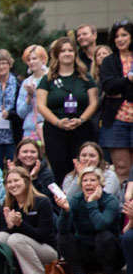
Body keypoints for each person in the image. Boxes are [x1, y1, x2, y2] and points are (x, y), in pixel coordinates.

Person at [36, 37, 98, 184]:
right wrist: (58, 122)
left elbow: (94, 102)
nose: (67, 53)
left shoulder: (85, 77)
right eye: (63, 50)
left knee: (83, 170)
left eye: (70, 50)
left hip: (82, 129)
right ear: (56, 54)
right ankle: (61, 204)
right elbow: (41, 105)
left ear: (75, 53)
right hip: (55, 130)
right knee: (59, 172)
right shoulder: (47, 79)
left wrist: (81, 119)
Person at [56, 166, 122, 274]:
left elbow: (100, 225)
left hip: (112, 254)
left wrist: (92, 203)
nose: (88, 183)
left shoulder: (110, 200)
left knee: (104, 235)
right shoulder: (75, 200)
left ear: (101, 184)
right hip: (85, 251)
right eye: (85, 181)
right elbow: (62, 229)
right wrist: (65, 211)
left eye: (93, 180)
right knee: (62, 237)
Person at [0, 167, 57, 274]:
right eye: (9, 182)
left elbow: (43, 236)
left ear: (26, 181)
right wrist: (10, 227)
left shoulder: (42, 202)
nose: (13, 185)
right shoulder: (7, 204)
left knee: (15, 238)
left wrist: (20, 224)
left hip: (48, 250)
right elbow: (5, 233)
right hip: (24, 247)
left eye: (16, 180)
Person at [98, 20, 133, 183]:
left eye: (124, 35)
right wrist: (128, 80)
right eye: (117, 36)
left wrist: (122, 90)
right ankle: (124, 206)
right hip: (116, 120)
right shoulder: (109, 61)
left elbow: (117, 88)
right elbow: (109, 87)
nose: (120, 39)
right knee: (122, 167)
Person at [8, 138, 59, 214]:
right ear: (18, 155)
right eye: (25, 152)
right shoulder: (13, 171)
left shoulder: (46, 173)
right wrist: (14, 176)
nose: (29, 155)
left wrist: (33, 178)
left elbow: (45, 199)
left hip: (42, 211)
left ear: (38, 155)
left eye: (33, 152)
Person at [16, 45, 48, 141]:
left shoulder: (51, 78)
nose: (31, 62)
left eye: (34, 58)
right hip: (30, 130)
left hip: (49, 127)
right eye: (28, 60)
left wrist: (36, 94)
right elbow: (20, 112)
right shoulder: (26, 82)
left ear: (43, 60)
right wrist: (29, 98)